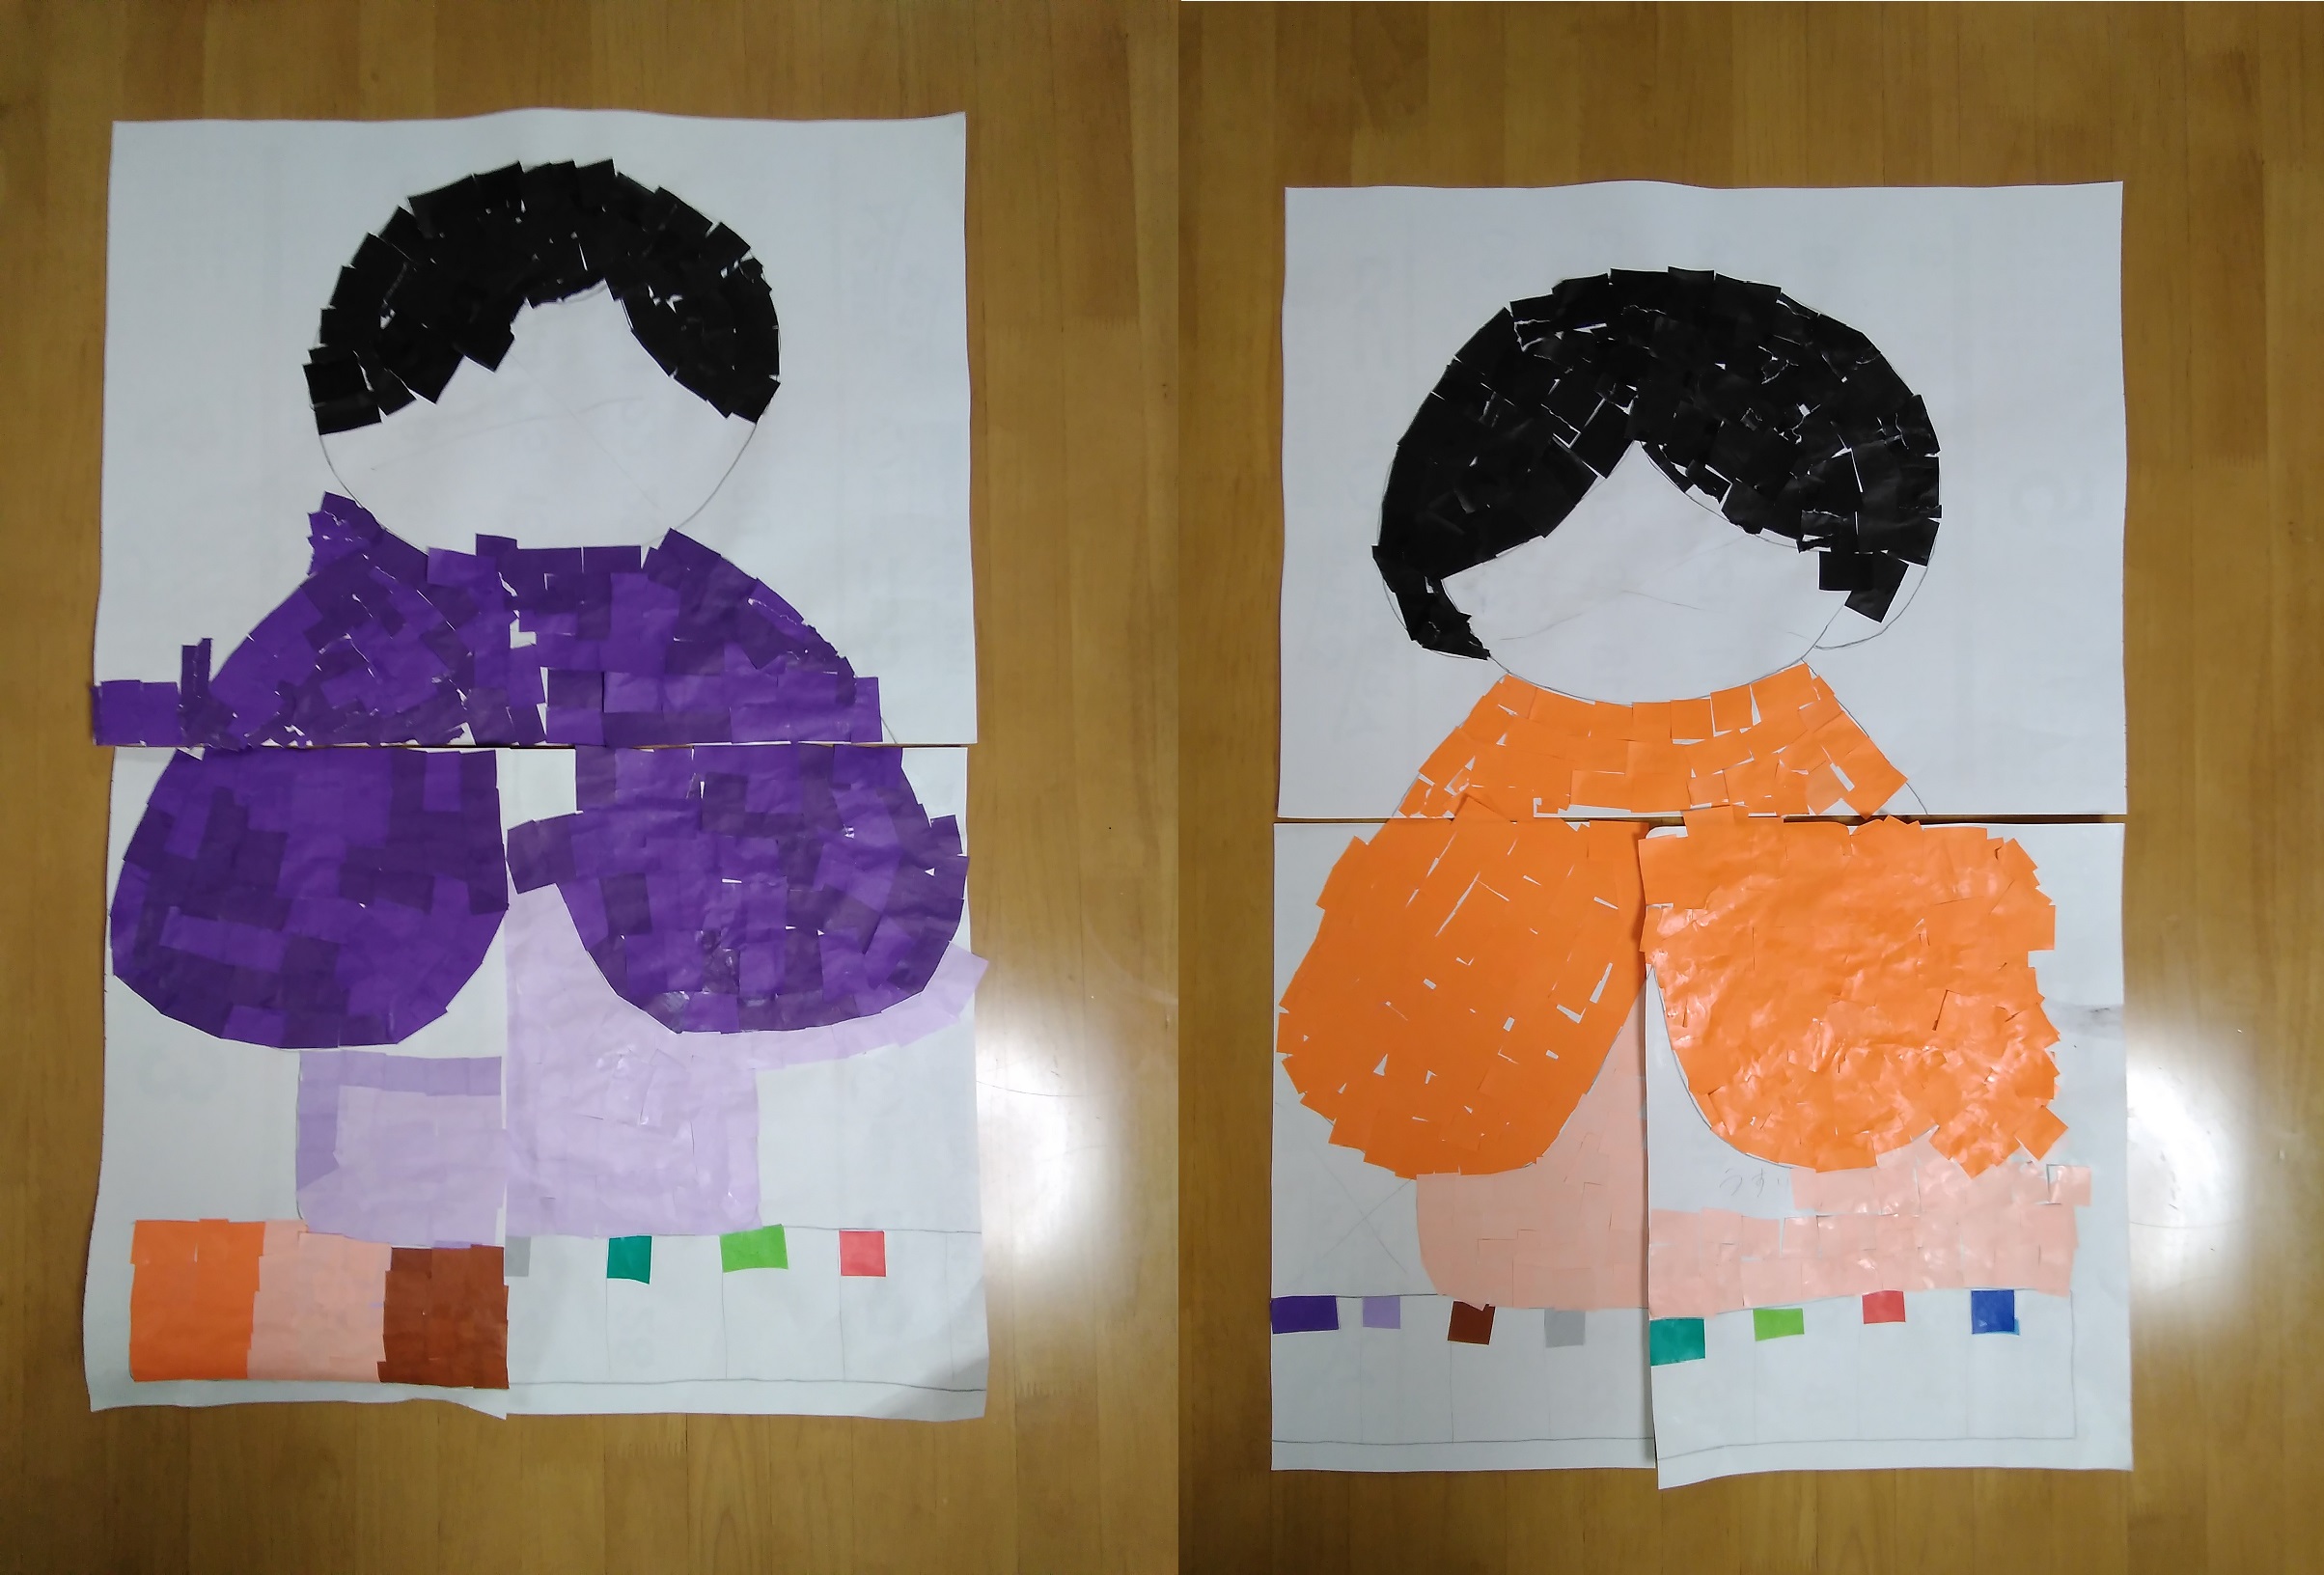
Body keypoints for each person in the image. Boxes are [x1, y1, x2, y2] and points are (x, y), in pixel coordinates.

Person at [1278, 269, 2068, 1317]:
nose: (1638, 614)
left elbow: (1932, 972)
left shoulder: (1818, 766)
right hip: (1527, 1224)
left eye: (1711, 564)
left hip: (1823, 1203)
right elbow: (1381, 1001)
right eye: (1556, 567)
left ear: (1849, 558)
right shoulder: (1495, 771)